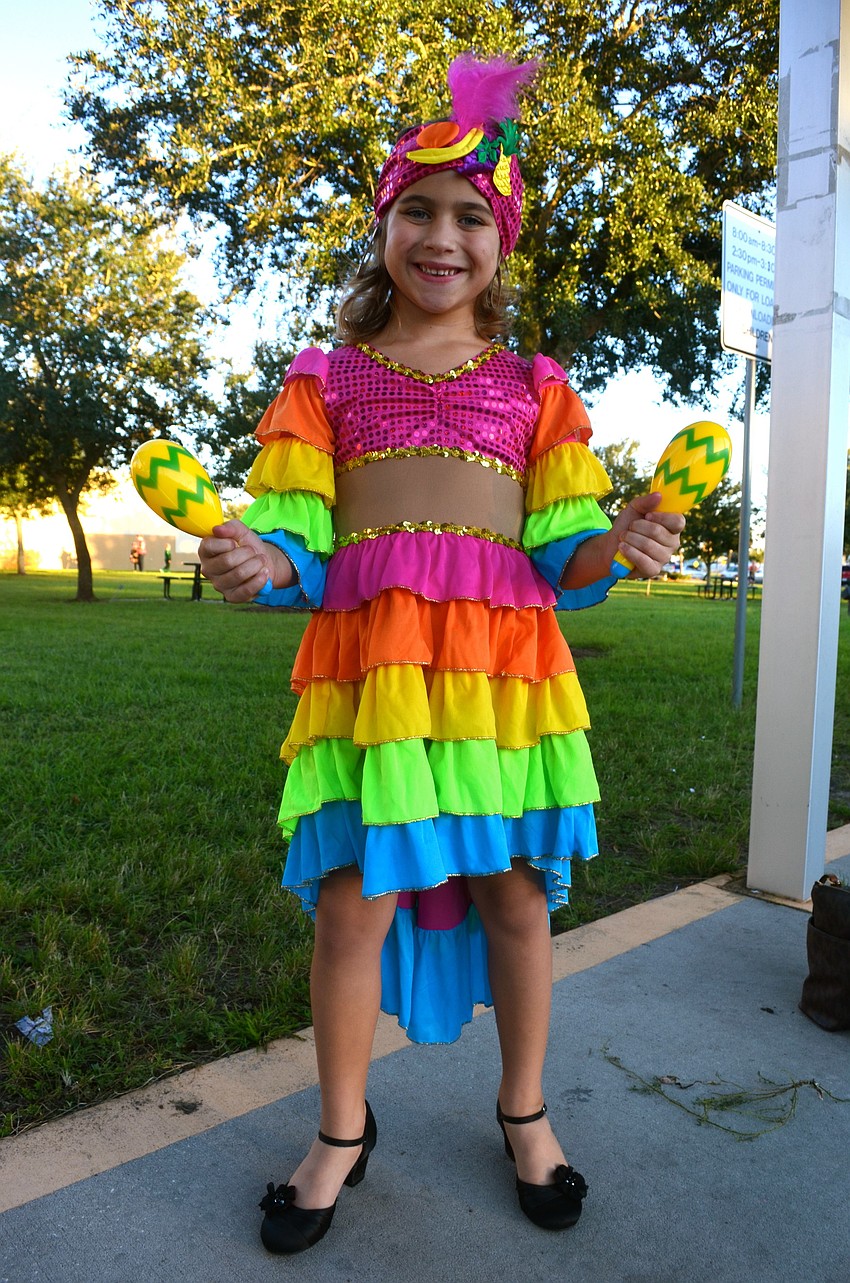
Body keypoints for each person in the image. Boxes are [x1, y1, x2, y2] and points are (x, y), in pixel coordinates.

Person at [199, 54, 684, 1256]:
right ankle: (341, 1128)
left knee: (515, 892)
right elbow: (299, 543)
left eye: (472, 214)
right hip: (374, 681)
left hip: (502, 680)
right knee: (351, 903)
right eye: (416, 207)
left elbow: (564, 555)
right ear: (381, 224)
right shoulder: (327, 379)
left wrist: (615, 540)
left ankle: (523, 1110)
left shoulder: (536, 385)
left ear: (500, 242)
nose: (442, 234)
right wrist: (259, 566)